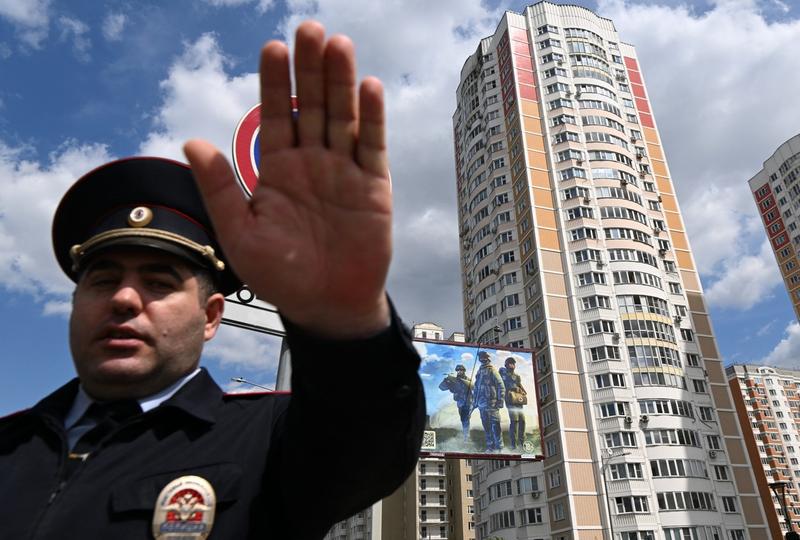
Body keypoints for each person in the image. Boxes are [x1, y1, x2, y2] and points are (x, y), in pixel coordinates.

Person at [0, 21, 424, 540]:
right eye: (102, 280)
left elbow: (366, 440)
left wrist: (343, 319)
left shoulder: (268, 439)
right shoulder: (9, 444)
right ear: (73, 302)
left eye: (159, 282)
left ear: (210, 316)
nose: (125, 299)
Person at [471, 351, 504, 452]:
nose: (482, 359)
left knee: (496, 426)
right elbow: (476, 388)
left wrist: (500, 401)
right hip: (482, 404)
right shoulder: (479, 371)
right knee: (487, 427)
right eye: (480, 357)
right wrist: (474, 402)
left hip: (492, 404)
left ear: (487, 358)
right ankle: (490, 447)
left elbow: (501, 386)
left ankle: (500, 447)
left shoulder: (492, 370)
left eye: (483, 357)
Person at [438, 364, 473, 442]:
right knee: (463, 419)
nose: (459, 372)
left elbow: (473, 388)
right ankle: (466, 434)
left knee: (465, 419)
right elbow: (441, 388)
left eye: (461, 370)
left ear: (464, 371)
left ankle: (466, 437)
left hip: (467, 402)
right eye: (458, 370)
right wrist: (446, 381)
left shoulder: (468, 380)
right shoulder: (454, 380)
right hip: (460, 402)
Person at [499, 356, 527, 450]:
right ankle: (513, 444)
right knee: (514, 421)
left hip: (518, 400)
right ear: (506, 365)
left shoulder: (517, 376)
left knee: (522, 421)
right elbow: (503, 384)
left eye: (513, 363)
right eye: (510, 363)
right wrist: (513, 388)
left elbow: (519, 385)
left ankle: (522, 442)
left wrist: (523, 391)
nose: (512, 365)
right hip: (510, 399)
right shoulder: (504, 374)